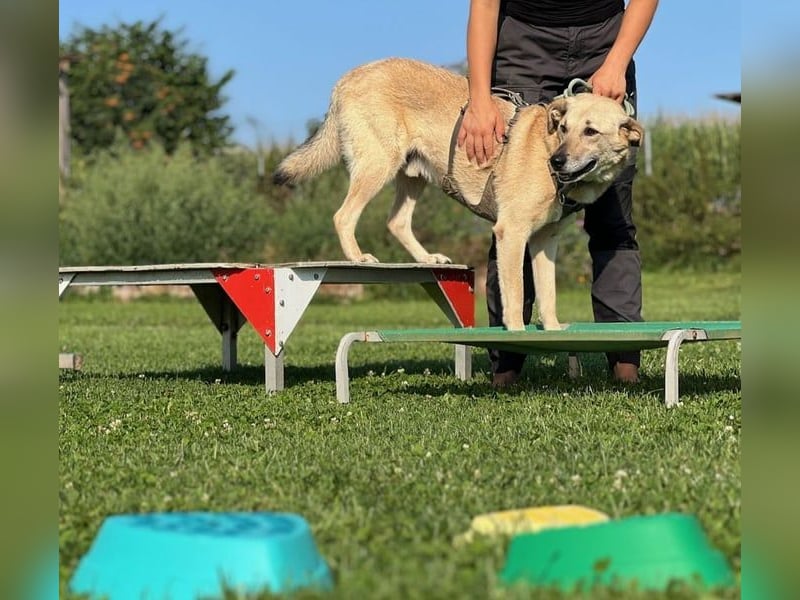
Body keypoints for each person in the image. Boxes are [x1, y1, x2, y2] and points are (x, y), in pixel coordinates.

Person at [458, 0, 659, 387]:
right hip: (523, 44)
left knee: (613, 214)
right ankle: (506, 360)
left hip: (605, 36)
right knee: (519, 210)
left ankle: (624, 354)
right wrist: (479, 98)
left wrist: (618, 60)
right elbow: (484, 5)